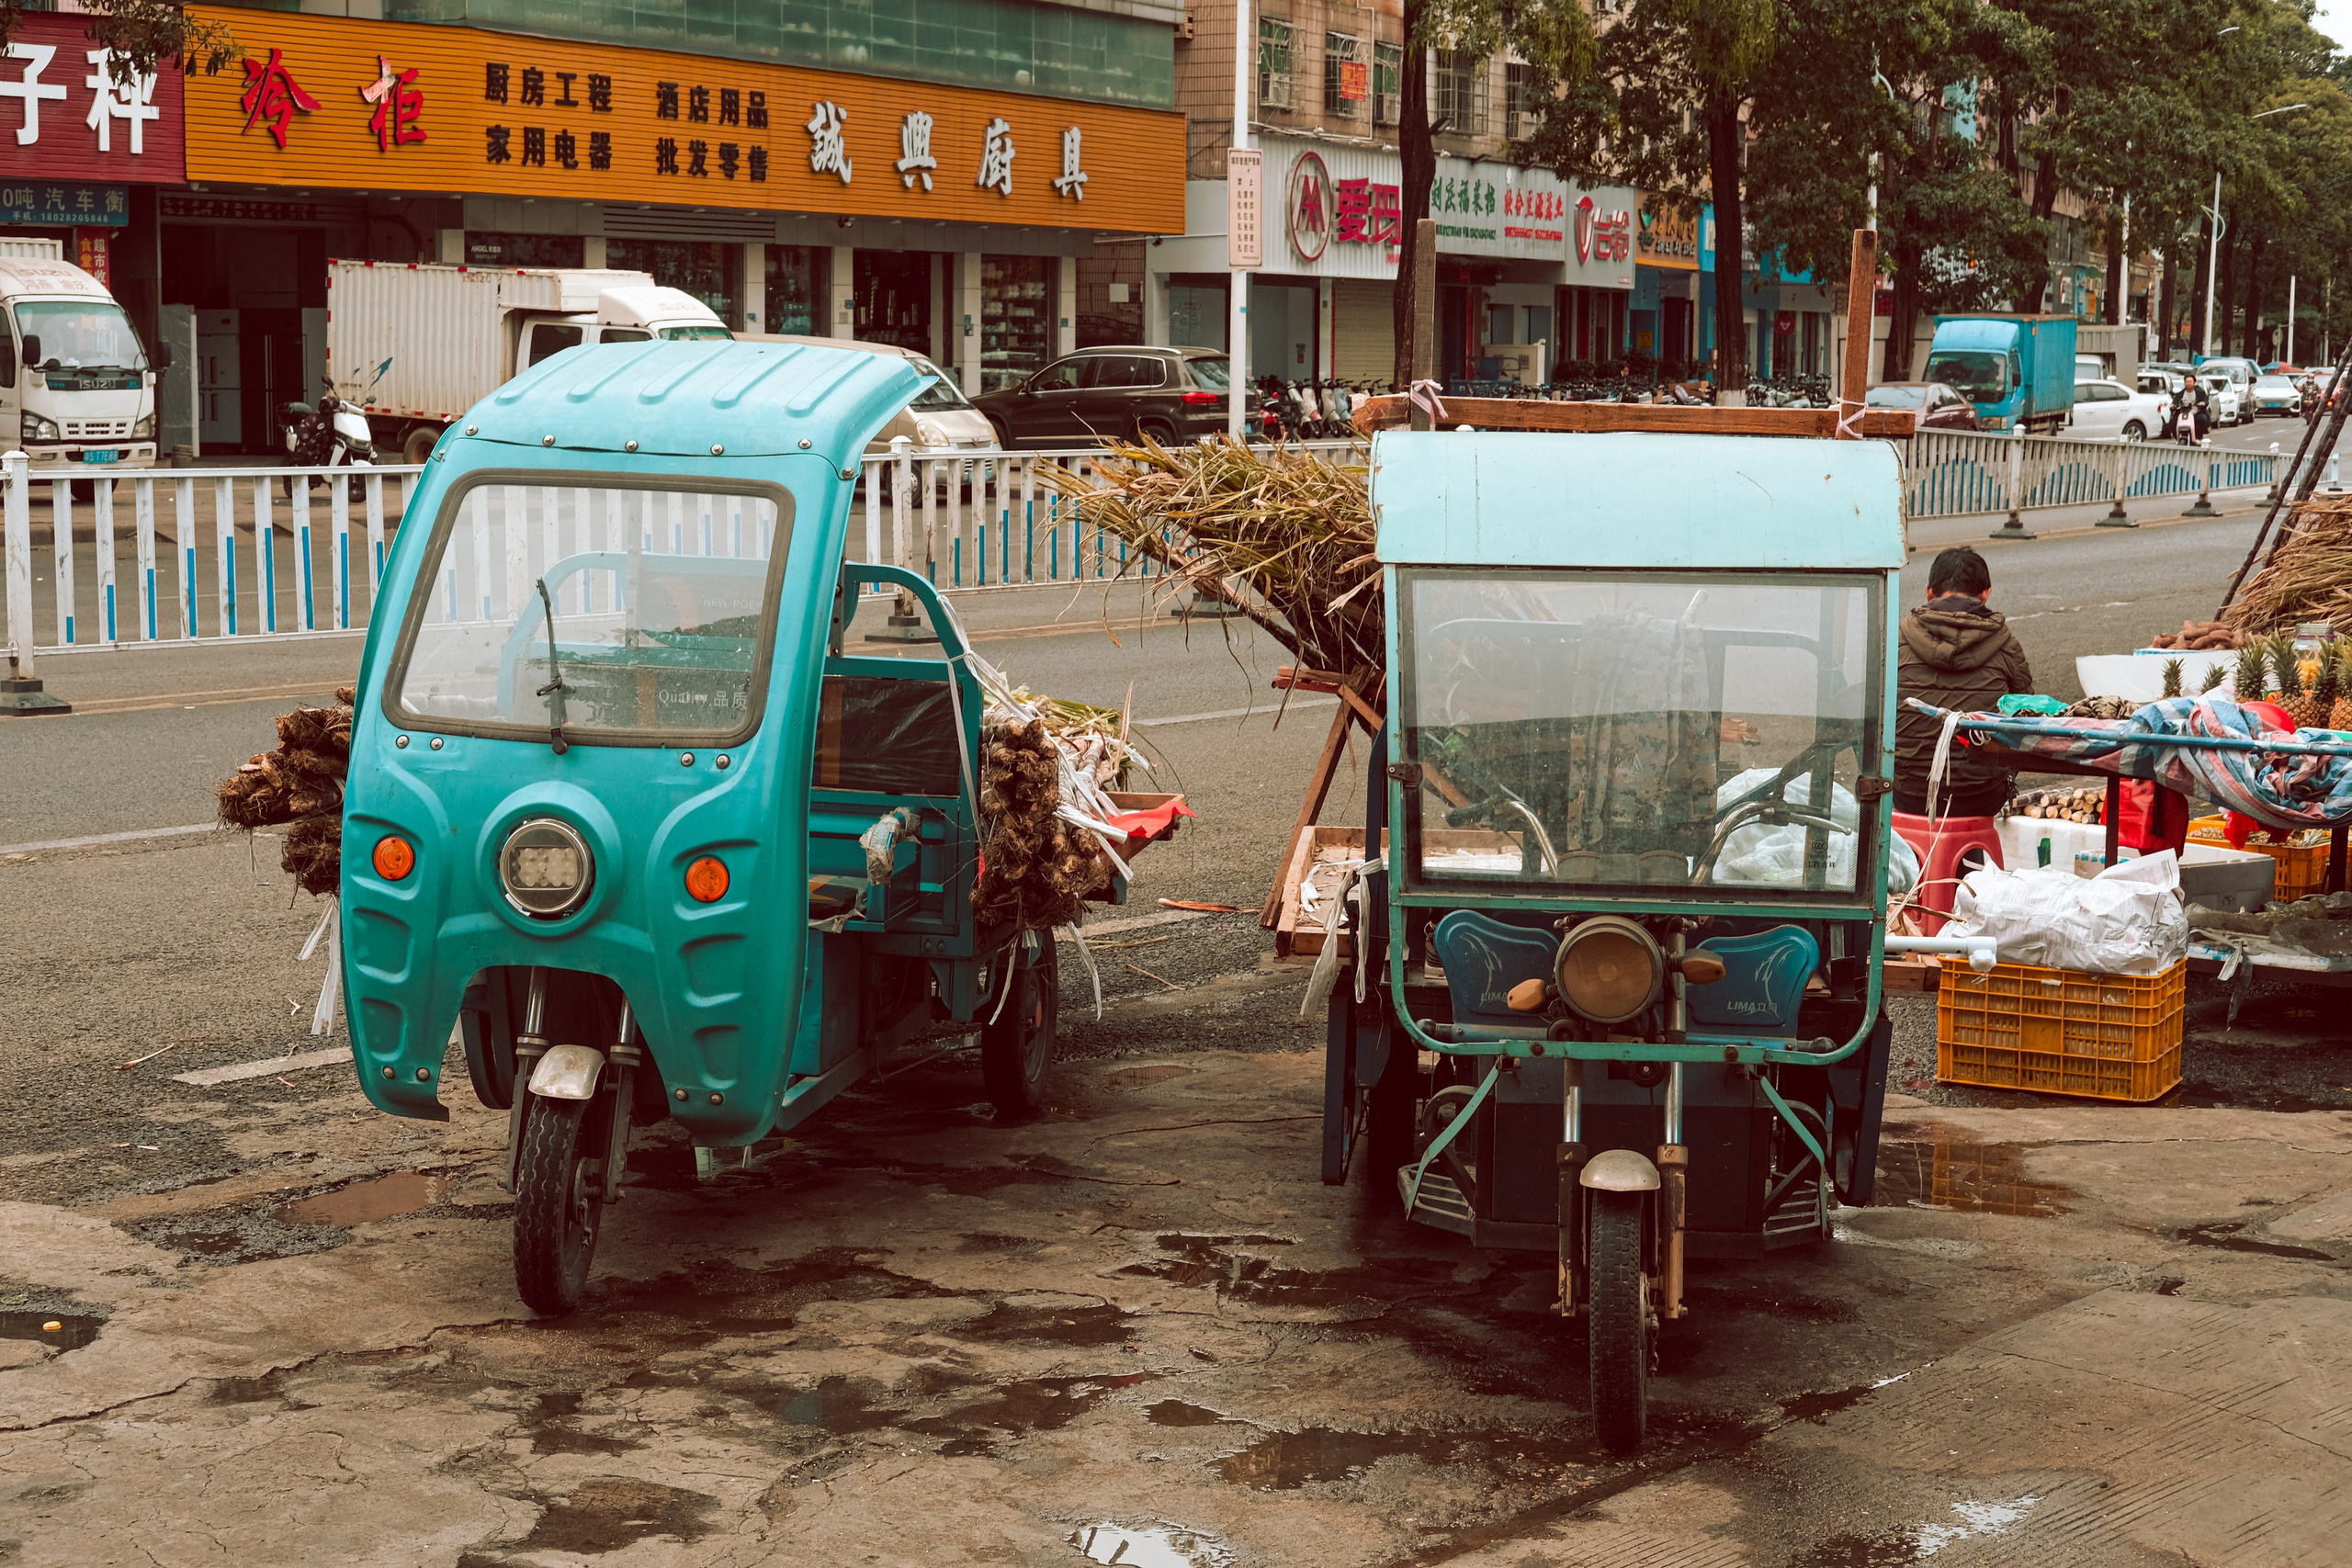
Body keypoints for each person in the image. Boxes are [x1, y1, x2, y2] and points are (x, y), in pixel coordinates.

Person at [1894, 546, 2035, 818]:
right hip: (1982, 795)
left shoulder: (1898, 639)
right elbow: (2026, 714)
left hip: (1907, 793)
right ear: (1985, 594)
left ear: (1929, 592)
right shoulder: (2006, 644)